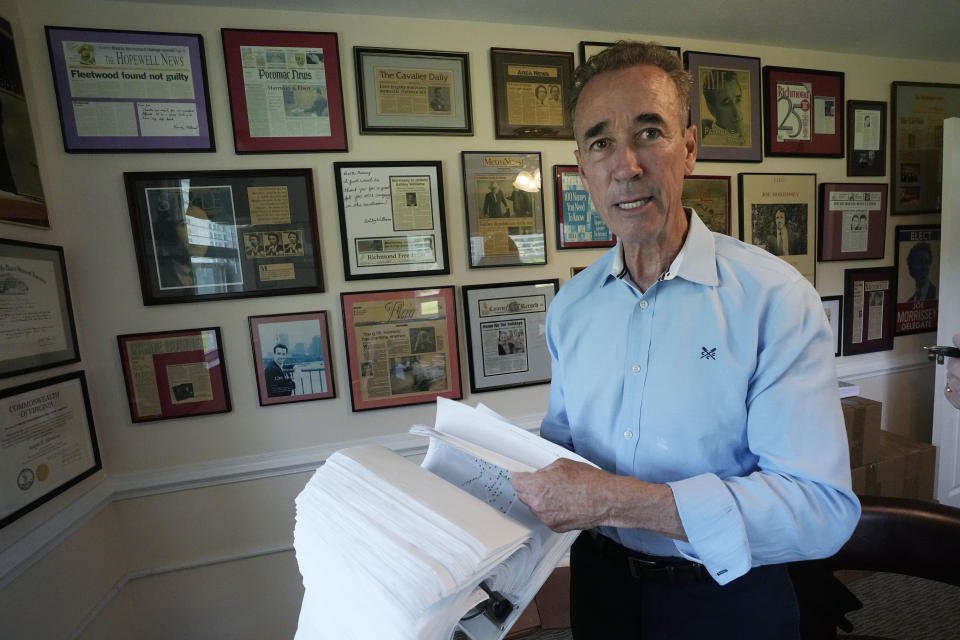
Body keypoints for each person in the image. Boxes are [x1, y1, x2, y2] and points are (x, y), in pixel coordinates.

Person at [510, 41, 859, 640]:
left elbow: (820, 511)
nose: (627, 165)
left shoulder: (774, 300)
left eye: (649, 132)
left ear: (690, 147)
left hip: (728, 595)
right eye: (600, 143)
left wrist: (614, 501)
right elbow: (563, 448)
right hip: (603, 591)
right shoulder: (572, 307)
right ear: (582, 167)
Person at [701, 68, 746, 144]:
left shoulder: (749, 136)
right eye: (727, 103)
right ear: (711, 108)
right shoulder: (711, 143)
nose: (736, 112)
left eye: (738, 100)